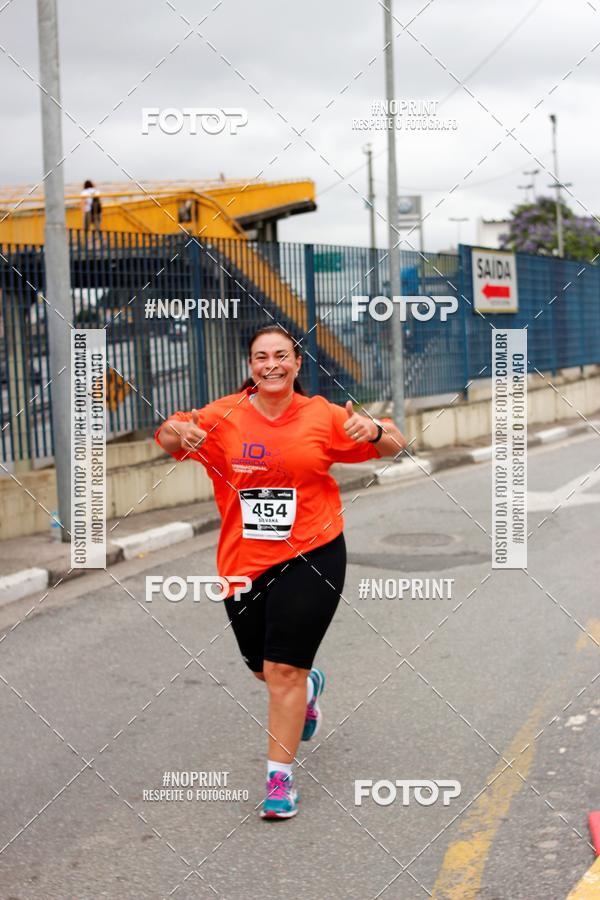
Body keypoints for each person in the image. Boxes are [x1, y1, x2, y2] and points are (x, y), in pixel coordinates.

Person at [155, 325, 406, 820]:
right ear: (251, 366)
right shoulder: (222, 415)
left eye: (281, 356)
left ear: (296, 364)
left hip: (313, 552)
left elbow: (394, 444)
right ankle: (310, 690)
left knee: (283, 670)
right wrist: (175, 431)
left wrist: (375, 432)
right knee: (261, 670)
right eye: (260, 356)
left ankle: (279, 779)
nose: (271, 364)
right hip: (242, 562)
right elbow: (167, 435)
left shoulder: (322, 415)